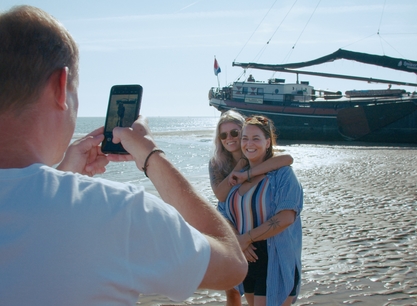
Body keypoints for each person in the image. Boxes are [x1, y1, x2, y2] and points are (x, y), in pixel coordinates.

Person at [0, 5, 247, 305]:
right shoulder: (116, 212)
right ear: (60, 86)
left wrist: (62, 175)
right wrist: (150, 156)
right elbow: (232, 263)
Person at [209, 110, 293, 306]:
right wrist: (239, 241)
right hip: (236, 238)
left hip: (266, 245)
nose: (229, 138)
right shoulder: (218, 164)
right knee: (232, 292)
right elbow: (221, 200)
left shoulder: (265, 162)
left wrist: (248, 170)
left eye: (235, 133)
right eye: (223, 135)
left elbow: (286, 159)